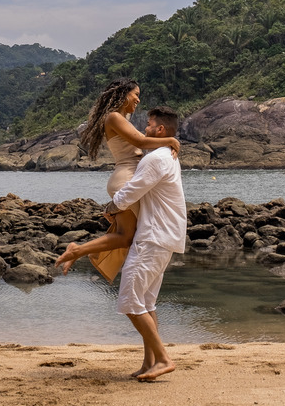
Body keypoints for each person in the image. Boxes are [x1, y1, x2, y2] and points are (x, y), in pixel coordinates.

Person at [54, 78, 179, 281]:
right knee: (126, 236)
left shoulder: (120, 118)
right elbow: (140, 141)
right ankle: (77, 250)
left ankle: (80, 251)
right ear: (123, 94)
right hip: (126, 179)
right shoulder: (113, 117)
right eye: (136, 94)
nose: (138, 99)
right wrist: (171, 140)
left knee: (126, 235)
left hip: (127, 177)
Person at [107, 106, 186, 381]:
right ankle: (149, 362)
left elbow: (133, 188)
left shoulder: (156, 158)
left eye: (150, 125)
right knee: (146, 301)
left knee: (129, 300)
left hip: (154, 236)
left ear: (160, 130)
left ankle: (164, 359)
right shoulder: (168, 155)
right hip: (165, 236)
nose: (145, 129)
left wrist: (112, 205)